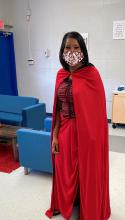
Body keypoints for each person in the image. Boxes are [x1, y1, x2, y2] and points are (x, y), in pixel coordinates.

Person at [45, 31, 111, 220]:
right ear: (62, 50)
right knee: (64, 169)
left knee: (87, 172)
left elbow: (96, 113)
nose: (71, 51)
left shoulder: (91, 74)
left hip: (87, 135)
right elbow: (57, 108)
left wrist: (94, 140)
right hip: (65, 130)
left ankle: (88, 207)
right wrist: (56, 135)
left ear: (83, 50)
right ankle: (65, 202)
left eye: (76, 47)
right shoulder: (61, 74)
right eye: (68, 47)